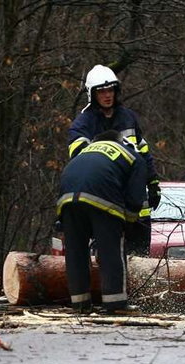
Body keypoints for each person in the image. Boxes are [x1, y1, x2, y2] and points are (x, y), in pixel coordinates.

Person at [67, 64, 159, 257]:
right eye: (102, 91)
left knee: (140, 256)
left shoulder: (128, 117)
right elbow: (78, 159)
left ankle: (140, 286)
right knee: (106, 256)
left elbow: (143, 151)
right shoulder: (83, 124)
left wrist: (153, 183)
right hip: (105, 196)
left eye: (110, 90)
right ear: (92, 94)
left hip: (135, 196)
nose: (107, 95)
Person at [56, 130, 147, 313]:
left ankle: (80, 304)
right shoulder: (133, 156)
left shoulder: (85, 151)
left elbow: (72, 178)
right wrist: (128, 222)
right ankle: (116, 303)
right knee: (110, 250)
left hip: (66, 199)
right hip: (102, 196)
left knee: (76, 252)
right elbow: (136, 198)